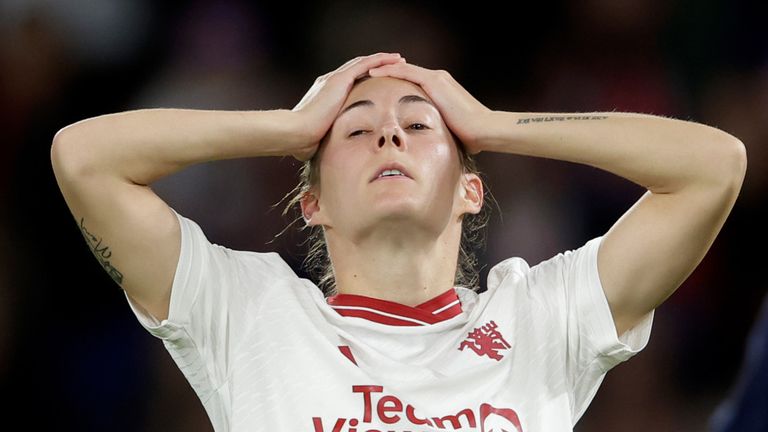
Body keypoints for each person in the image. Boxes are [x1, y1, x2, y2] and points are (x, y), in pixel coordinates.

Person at [50, 52, 746, 431]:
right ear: (312, 203)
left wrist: (496, 125)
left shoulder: (541, 317)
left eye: (420, 127)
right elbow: (84, 157)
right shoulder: (250, 313)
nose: (389, 134)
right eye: (355, 129)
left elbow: (713, 166)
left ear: (471, 191)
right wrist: (289, 128)